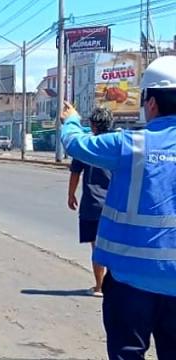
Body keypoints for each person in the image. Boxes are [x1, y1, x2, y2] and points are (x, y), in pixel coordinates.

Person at [60, 55, 176, 359]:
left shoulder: (131, 145)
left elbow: (76, 145)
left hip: (129, 282)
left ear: (150, 103)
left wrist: (71, 119)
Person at [67, 107, 112, 297]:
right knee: (113, 247)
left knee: (96, 248)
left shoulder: (86, 146)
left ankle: (99, 286)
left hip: (92, 205)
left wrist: (71, 195)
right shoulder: (116, 145)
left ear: (92, 125)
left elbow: (75, 173)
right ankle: (113, 287)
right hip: (114, 206)